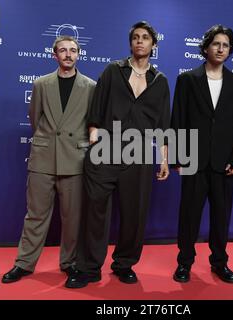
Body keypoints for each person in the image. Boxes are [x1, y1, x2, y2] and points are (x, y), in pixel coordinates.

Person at [65, 21, 170, 288]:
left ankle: (124, 264)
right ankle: (89, 267)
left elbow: (163, 124)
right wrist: (93, 137)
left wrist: (165, 158)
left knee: (134, 214)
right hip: (105, 151)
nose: (139, 41)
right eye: (135, 37)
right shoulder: (113, 70)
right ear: (130, 43)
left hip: (140, 154)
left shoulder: (160, 82)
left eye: (145, 37)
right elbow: (96, 109)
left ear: (153, 45)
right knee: (95, 212)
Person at [2, 35, 96, 283]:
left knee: (73, 218)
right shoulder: (41, 84)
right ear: (54, 55)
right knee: (35, 215)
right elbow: (36, 119)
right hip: (43, 158)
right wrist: (49, 141)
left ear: (78, 54)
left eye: (73, 50)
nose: (68, 54)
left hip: (75, 159)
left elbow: (91, 123)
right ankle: (24, 263)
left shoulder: (90, 86)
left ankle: (70, 263)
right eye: (63, 50)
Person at [171, 25, 233, 284]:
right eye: (216, 44)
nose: (220, 49)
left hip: (224, 164)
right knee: (189, 215)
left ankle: (219, 263)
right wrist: (178, 158)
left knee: (221, 217)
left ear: (230, 51)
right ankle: (184, 263)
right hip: (194, 162)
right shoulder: (187, 80)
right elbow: (178, 121)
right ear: (206, 47)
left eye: (225, 45)